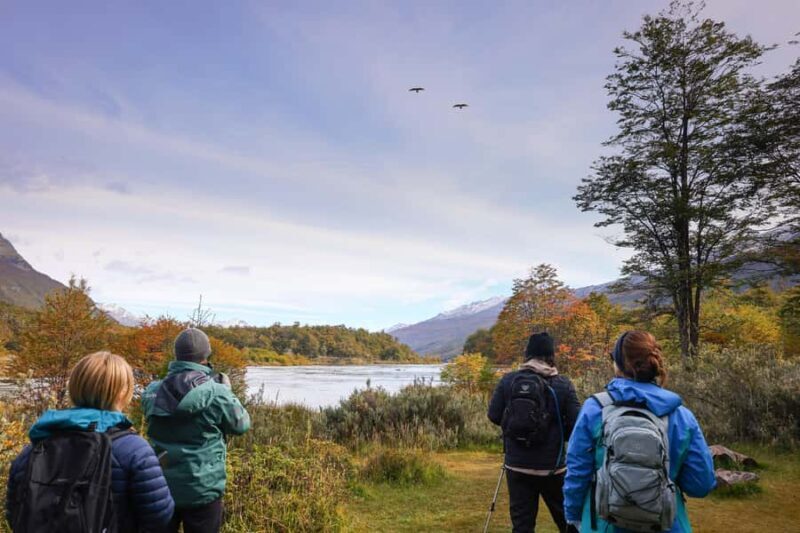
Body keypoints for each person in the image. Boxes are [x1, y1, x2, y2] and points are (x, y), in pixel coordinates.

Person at [563, 330, 716, 533]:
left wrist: (573, 516)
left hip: (603, 525)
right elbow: (701, 484)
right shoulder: (680, 415)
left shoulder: (595, 409)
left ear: (617, 364)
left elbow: (577, 473)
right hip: (666, 524)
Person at [6, 351, 174, 532]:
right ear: (122, 392)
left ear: (76, 386)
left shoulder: (33, 449)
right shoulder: (135, 449)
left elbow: (14, 512)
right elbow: (159, 515)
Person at [142, 327, 250, 533]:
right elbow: (241, 425)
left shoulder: (152, 391)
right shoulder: (216, 391)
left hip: (161, 486)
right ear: (206, 355)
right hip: (203, 489)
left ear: (177, 355)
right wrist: (227, 392)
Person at [488, 332, 581, 533]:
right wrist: (556, 434)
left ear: (527, 354)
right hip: (553, 468)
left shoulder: (509, 381)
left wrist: (514, 427)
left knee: (522, 526)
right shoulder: (563, 384)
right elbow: (577, 426)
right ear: (550, 356)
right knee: (568, 523)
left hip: (517, 466)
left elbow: (493, 415)